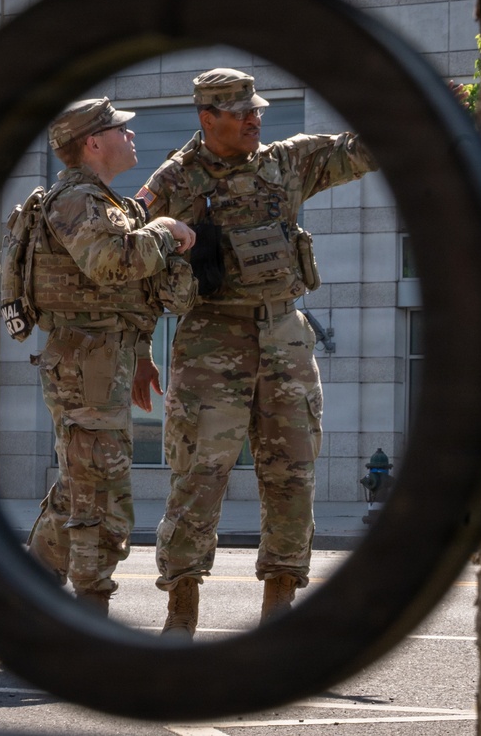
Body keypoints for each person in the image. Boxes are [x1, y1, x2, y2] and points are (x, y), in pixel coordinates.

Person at [136, 69, 378, 637]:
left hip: (285, 336)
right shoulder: (173, 180)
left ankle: (280, 610)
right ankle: (181, 613)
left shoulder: (286, 162)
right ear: (207, 118)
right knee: (198, 477)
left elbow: (358, 151)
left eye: (257, 110)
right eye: (241, 113)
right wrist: (142, 348)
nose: (255, 119)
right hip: (210, 341)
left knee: (292, 475)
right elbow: (135, 265)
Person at [25, 97, 196, 616]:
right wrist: (164, 229)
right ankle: (89, 606)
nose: (132, 135)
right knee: (97, 492)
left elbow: (126, 296)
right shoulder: (76, 199)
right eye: (122, 129)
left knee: (85, 483)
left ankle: (28, 593)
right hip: (85, 363)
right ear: (93, 143)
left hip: (104, 359)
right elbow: (109, 263)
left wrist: (141, 353)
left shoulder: (105, 202)